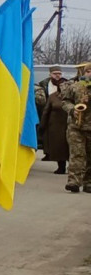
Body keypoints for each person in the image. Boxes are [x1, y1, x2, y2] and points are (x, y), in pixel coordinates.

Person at [36, 66, 71, 175]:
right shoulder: (44, 85)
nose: (57, 75)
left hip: (67, 121)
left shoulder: (68, 85)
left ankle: (73, 168)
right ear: (50, 74)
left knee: (68, 145)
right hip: (52, 120)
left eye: (59, 73)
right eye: (55, 73)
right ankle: (52, 157)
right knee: (55, 143)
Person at [63, 64, 91, 193]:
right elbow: (65, 101)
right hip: (76, 126)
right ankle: (73, 181)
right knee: (77, 154)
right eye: (88, 71)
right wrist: (72, 110)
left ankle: (88, 183)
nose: (90, 74)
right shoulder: (74, 87)